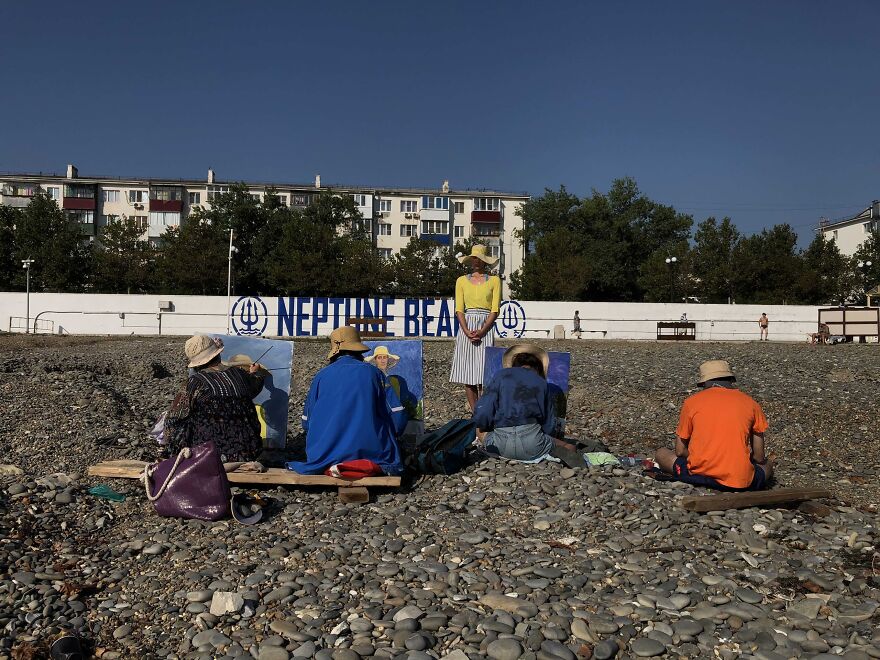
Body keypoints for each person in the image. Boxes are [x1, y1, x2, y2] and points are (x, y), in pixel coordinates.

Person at [287, 327, 405, 475]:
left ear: (334, 352)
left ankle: (336, 465)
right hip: (371, 452)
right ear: (359, 350)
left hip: (323, 456)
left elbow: (306, 422)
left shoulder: (321, 376)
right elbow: (397, 416)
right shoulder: (374, 374)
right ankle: (361, 464)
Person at [654, 360, 773, 491]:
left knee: (661, 453)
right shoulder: (752, 404)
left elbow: (680, 450)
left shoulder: (691, 402)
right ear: (730, 380)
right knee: (767, 464)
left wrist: (700, 458)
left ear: (705, 383)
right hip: (739, 481)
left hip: (698, 474)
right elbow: (759, 456)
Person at [165, 335, 266, 462]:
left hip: (209, 454)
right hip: (248, 451)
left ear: (196, 365)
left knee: (179, 420)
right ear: (217, 354)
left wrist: (171, 445)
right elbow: (255, 386)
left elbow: (173, 419)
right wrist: (255, 373)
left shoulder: (195, 383)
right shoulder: (240, 375)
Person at [473, 344, 575, 462]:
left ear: (514, 366)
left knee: (478, 429)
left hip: (500, 446)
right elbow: (549, 425)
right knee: (568, 446)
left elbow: (482, 413)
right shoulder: (541, 382)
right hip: (533, 445)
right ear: (538, 368)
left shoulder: (500, 376)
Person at [449, 244, 501, 412]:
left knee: (484, 374)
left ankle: (485, 410)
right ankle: (476, 413)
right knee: (468, 373)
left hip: (485, 326)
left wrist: (483, 330)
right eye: (474, 257)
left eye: (479, 258)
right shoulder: (461, 280)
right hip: (467, 325)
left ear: (485, 261)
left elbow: (495, 309)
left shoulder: (494, 280)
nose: (476, 261)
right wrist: (465, 330)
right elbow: (459, 309)